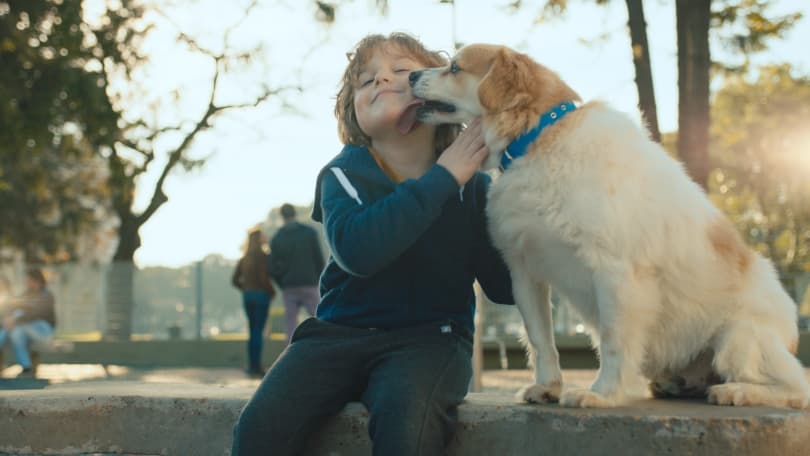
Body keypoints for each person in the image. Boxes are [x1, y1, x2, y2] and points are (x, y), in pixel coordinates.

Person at [231, 32, 515, 456]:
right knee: (258, 430)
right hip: (335, 335)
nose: (382, 80)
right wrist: (442, 178)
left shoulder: (473, 188)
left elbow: (504, 287)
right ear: (353, 113)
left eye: (401, 71)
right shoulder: (342, 175)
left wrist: (522, 204)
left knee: (407, 428)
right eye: (366, 81)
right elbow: (361, 252)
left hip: (431, 341)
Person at [268, 203, 325, 343]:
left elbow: (272, 268)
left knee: (290, 322)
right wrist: (318, 279)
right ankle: (324, 346)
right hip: (310, 282)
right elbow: (319, 259)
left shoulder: (277, 238)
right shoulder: (309, 232)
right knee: (319, 318)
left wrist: (282, 282)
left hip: (289, 285)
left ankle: (290, 352)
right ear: (295, 213)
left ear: (282, 216)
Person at [232, 227, 276, 378]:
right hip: (261, 296)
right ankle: (256, 367)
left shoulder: (244, 258)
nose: (266, 237)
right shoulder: (265, 256)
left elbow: (234, 280)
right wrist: (271, 291)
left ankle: (252, 365)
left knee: (252, 331)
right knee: (258, 331)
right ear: (259, 239)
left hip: (248, 296)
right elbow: (266, 277)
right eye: (263, 236)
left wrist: (245, 289)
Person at [0, 268, 56, 378]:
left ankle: (2, 336)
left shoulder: (47, 295)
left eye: (28, 280)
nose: (26, 283)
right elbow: (14, 307)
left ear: (37, 281)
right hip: (25, 329)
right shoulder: (26, 294)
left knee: (14, 324)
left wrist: (14, 320)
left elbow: (38, 313)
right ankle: (26, 367)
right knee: (16, 333)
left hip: (43, 331)